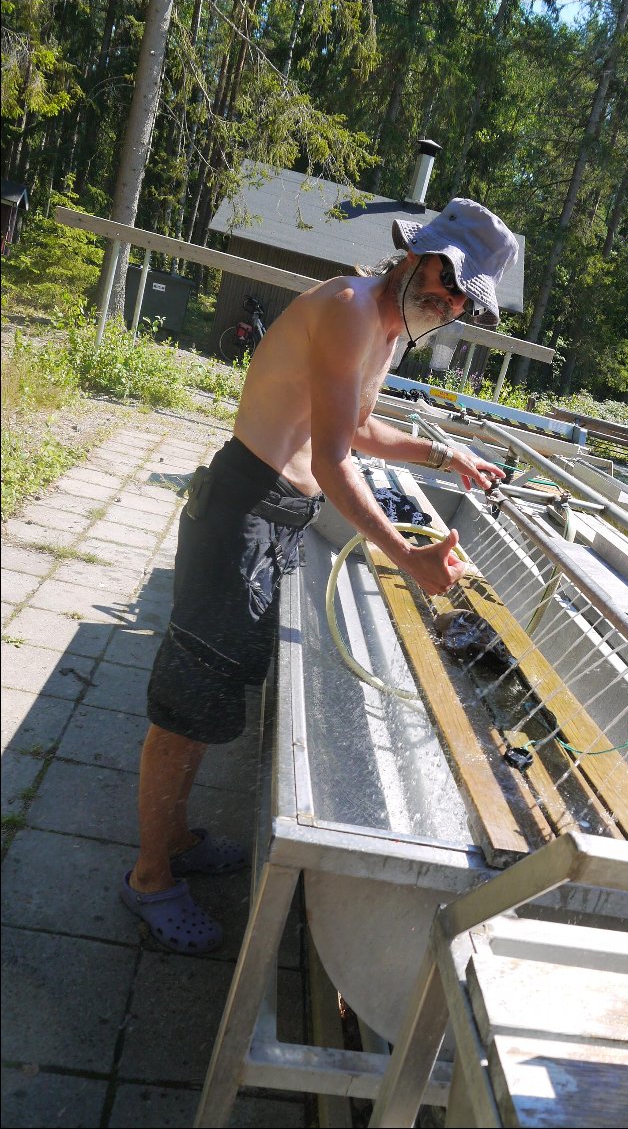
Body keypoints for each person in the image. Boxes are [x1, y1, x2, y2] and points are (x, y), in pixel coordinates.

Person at [120, 197, 519, 953]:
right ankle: (148, 879)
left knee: (209, 700)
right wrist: (404, 556)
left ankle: (173, 838)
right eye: (445, 282)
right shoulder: (347, 306)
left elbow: (357, 424)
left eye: (463, 298)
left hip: (277, 517)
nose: (450, 303)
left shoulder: (388, 327)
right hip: (242, 507)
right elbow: (336, 456)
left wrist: (445, 455)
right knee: (184, 707)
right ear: (415, 253)